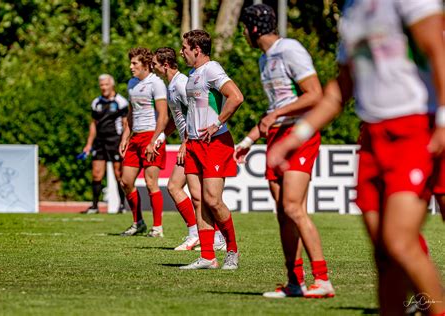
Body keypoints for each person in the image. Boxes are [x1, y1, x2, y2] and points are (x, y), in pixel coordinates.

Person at [267, 0, 444, 314]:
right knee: (383, 254)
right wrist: (297, 136)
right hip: (373, 138)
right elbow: (340, 89)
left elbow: (437, 51)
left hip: (415, 129)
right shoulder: (351, 10)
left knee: (399, 241)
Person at [236, 4, 334, 298]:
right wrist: (248, 140)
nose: (243, 34)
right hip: (276, 136)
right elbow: (272, 111)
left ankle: (322, 279)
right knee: (282, 213)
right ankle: (295, 282)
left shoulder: (290, 48)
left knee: (293, 207)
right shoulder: (264, 60)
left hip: (299, 133)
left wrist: (276, 115)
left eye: (244, 28)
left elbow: (315, 94)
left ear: (253, 28)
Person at [178, 30, 244, 270]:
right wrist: (186, 140)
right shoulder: (193, 74)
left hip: (215, 143)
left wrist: (217, 123)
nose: (181, 52)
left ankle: (232, 252)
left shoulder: (212, 69)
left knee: (213, 200)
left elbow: (235, 97)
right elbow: (192, 112)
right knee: (199, 201)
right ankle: (207, 257)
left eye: (184, 47)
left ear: (197, 49)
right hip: (194, 144)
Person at [152, 47, 200, 250]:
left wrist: (185, 142)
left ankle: (195, 234)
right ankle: (214, 237)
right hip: (190, 142)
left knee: (174, 186)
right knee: (201, 195)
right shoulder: (171, 85)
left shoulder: (181, 84)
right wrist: (162, 136)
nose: (152, 67)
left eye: (154, 63)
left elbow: (195, 113)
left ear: (165, 64)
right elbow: (176, 117)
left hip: (193, 142)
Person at [119, 47, 169, 238]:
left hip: (151, 136)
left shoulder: (156, 83)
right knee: (126, 181)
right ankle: (138, 222)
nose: (131, 67)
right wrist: (125, 137)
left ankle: (157, 228)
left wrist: (154, 140)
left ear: (145, 64)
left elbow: (163, 116)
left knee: (150, 183)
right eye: (130, 63)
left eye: (135, 63)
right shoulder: (131, 83)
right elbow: (130, 114)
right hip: (135, 137)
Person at [82, 74, 129, 214]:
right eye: (101, 85)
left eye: (106, 84)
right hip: (100, 142)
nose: (103, 87)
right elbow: (93, 124)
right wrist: (89, 144)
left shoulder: (121, 102)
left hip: (115, 141)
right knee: (96, 174)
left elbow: (126, 123)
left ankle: (122, 205)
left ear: (112, 85)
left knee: (118, 174)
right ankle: (95, 206)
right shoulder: (96, 103)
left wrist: (124, 142)